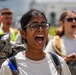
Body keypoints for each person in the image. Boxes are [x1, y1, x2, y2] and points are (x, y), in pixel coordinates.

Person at [0, 9, 71, 75]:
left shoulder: (58, 63)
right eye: (34, 26)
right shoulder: (10, 66)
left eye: (44, 25)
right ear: (23, 33)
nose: (40, 29)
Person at [45, 10, 76, 75]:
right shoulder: (55, 42)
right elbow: (46, 63)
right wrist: (66, 59)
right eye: (69, 19)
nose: (74, 21)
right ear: (62, 23)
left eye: (75, 19)